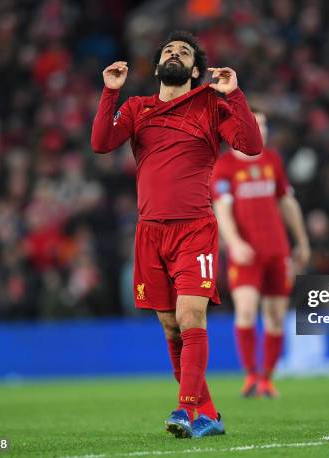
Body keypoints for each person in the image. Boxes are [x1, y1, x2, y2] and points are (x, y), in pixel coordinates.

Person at [91, 30, 263, 438]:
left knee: (190, 316)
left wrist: (234, 95)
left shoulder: (210, 104)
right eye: (168, 50)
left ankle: (185, 412)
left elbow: (252, 145)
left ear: (195, 70)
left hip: (195, 229)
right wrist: (109, 92)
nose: (174, 54)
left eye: (183, 52)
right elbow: (100, 143)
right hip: (150, 232)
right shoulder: (136, 108)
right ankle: (210, 415)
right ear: (157, 67)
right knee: (170, 327)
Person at [212, 112, 310, 399]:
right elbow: (222, 210)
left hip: (277, 249)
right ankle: (250, 376)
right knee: (245, 309)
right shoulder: (225, 166)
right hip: (246, 253)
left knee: (276, 317)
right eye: (256, 126)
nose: (262, 131)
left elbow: (286, 201)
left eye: (265, 126)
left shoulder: (272, 160)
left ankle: (266, 379)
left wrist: (302, 241)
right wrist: (234, 243)